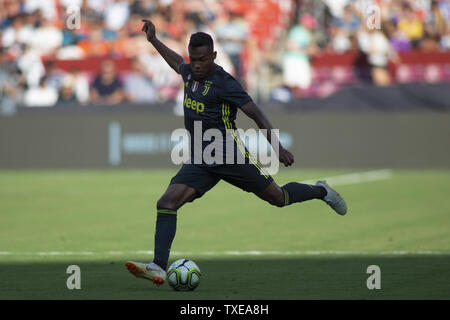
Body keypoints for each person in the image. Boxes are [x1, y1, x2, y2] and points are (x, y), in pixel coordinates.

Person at [125, 19, 348, 286]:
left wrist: (276, 147)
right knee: (166, 203)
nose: (196, 65)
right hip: (202, 158)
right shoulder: (188, 73)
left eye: (202, 59)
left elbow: (257, 114)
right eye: (193, 59)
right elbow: (176, 63)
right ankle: (158, 266)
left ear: (214, 56)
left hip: (230, 155)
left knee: (278, 198)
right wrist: (153, 40)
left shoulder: (224, 83)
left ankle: (321, 191)